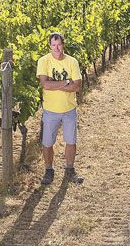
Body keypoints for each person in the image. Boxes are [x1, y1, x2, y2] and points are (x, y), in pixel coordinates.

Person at [36, 32, 83, 185]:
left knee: (71, 141)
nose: (56, 48)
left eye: (59, 44)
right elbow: (45, 85)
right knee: (47, 143)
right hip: (50, 110)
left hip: (69, 110)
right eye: (53, 45)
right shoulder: (43, 61)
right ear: (50, 46)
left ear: (63, 45)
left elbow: (77, 86)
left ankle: (69, 169)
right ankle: (49, 170)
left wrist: (54, 83)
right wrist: (66, 82)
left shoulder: (72, 62)